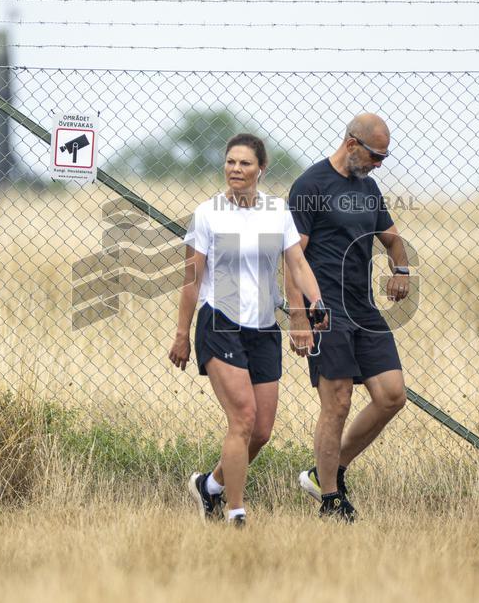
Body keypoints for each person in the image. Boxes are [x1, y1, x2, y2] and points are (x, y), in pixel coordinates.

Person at [169, 133, 326, 527]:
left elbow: (297, 263)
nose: (236, 169)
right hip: (219, 322)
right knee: (242, 419)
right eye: (230, 162)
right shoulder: (208, 213)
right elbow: (192, 279)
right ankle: (235, 512)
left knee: (261, 430)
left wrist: (314, 301)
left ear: (261, 169)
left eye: (245, 163)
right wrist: (181, 334)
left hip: (263, 328)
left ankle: (210, 486)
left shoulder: (277, 211)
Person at [285, 113, 412, 522]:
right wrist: (298, 317)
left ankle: (328, 469)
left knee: (392, 395)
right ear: (352, 144)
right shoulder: (310, 186)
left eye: (384, 158)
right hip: (325, 310)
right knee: (337, 402)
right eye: (376, 156)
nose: (379, 165)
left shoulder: (369, 188)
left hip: (364, 309)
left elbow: (392, 238)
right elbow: (292, 258)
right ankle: (330, 498)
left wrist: (401, 269)